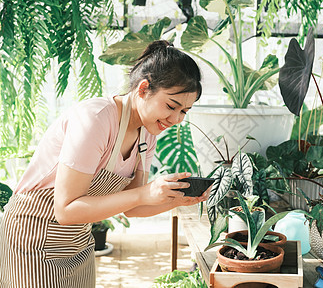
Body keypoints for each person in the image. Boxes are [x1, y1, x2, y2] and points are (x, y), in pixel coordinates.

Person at [0, 40, 209, 288]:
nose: (176, 120)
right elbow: (66, 210)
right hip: (31, 241)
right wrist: (145, 192)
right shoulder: (96, 119)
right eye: (171, 106)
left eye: (185, 111)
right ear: (143, 89)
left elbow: (133, 206)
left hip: (77, 242)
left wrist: (178, 199)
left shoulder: (147, 133)